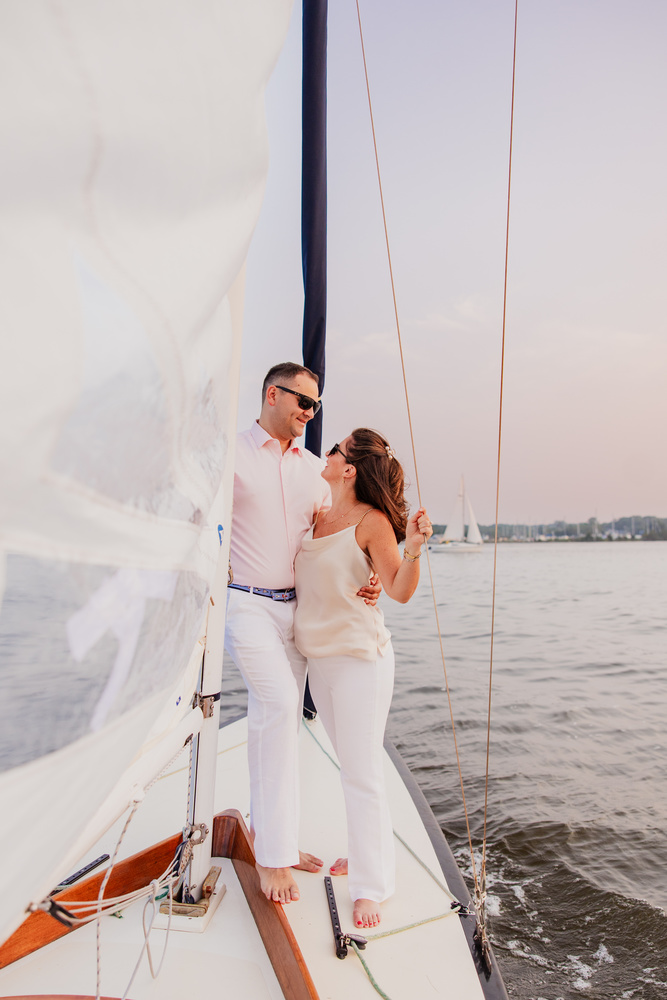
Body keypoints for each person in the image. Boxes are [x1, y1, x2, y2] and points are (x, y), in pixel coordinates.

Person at [224, 363, 380, 905]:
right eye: (304, 402)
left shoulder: (316, 471)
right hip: (245, 605)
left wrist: (375, 571)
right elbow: (197, 519)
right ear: (273, 393)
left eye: (316, 406)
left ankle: (279, 841)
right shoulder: (230, 455)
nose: (310, 413)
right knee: (279, 701)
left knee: (284, 723)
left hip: (298, 613)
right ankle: (272, 860)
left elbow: (341, 530)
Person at [293, 428, 432, 929]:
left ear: (348, 468)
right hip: (319, 661)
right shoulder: (315, 509)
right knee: (357, 767)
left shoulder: (372, 522)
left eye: (334, 449)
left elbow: (397, 589)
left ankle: (373, 886)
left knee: (360, 771)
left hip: (360, 660)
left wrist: (412, 546)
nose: (325, 453)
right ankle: (367, 850)